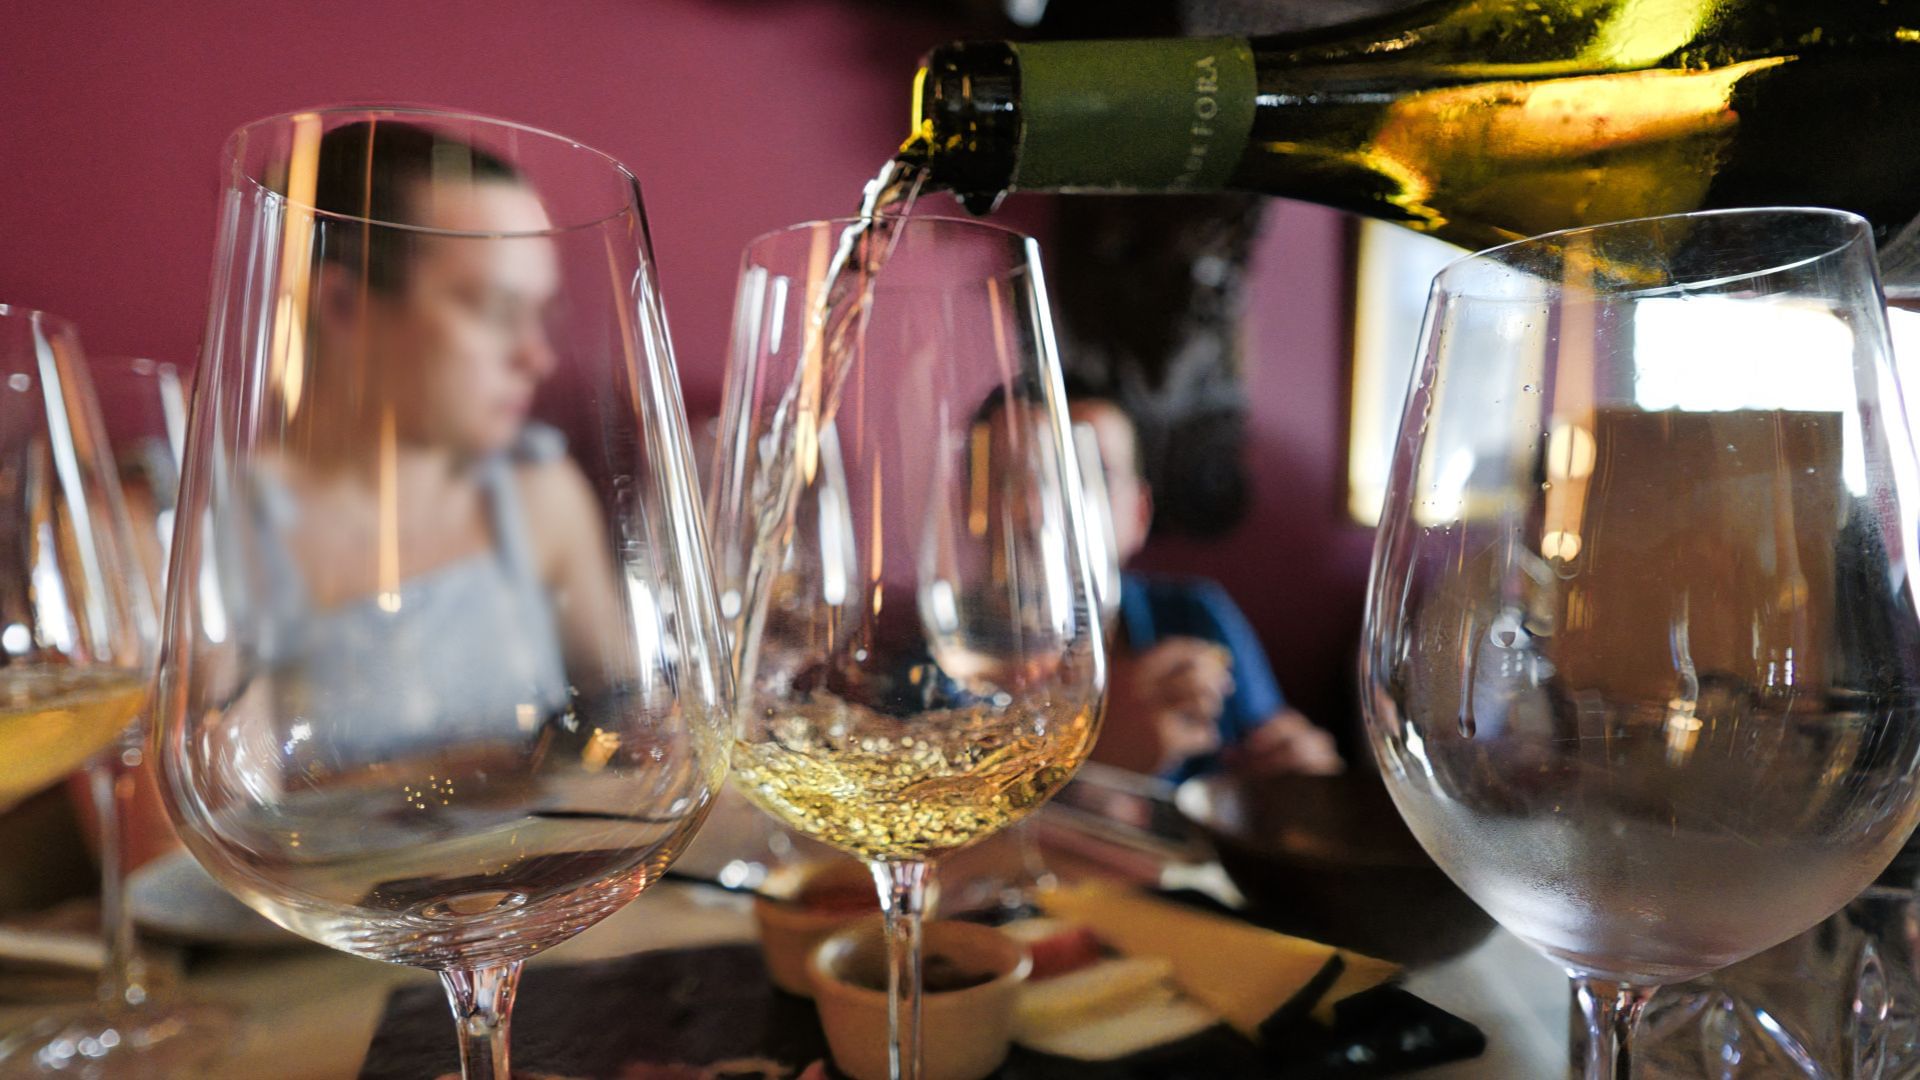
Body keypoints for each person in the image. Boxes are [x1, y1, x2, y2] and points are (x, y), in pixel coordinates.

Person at [248, 119, 629, 765]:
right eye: (495, 310)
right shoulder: (191, 539)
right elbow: (177, 853)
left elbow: (643, 730)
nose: (537, 358)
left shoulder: (540, 498)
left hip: (535, 866)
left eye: (541, 314)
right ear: (341, 305)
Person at [1071, 389, 1343, 780]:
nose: (1049, 503)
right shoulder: (963, 658)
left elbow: (1279, 758)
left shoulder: (1195, 615)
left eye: (1092, 476)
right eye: (1019, 475)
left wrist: (1295, 770)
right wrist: (1089, 756)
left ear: (1140, 514)